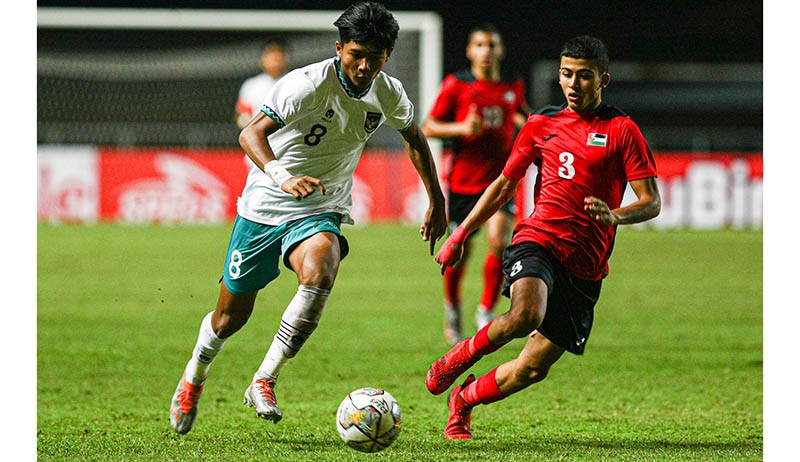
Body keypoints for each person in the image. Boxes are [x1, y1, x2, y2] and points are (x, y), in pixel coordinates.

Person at [169, 1, 447, 435]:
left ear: (386, 57)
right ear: (340, 48)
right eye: (356, 55)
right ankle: (193, 377)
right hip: (265, 205)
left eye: (373, 59)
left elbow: (414, 137)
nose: (362, 66)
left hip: (321, 205)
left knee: (321, 268)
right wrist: (282, 177)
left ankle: (264, 378)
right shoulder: (304, 84)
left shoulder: (388, 92)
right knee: (229, 318)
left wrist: (437, 199)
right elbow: (250, 133)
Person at [427, 35, 661, 440]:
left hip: (587, 264)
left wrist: (615, 216)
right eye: (567, 74)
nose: (574, 84)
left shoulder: (623, 130)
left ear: (602, 79)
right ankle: (461, 355)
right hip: (538, 240)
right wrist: (460, 233)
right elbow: (503, 185)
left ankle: (463, 400)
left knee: (532, 369)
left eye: (584, 76)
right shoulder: (542, 123)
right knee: (526, 314)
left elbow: (651, 202)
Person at [422, 24, 529, 345]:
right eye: (479, 44)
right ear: (470, 51)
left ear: (501, 50)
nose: (486, 51)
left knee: (500, 240)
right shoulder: (457, 85)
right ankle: (453, 309)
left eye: (491, 45)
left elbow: (523, 116)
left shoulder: (512, 84)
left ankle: (485, 309)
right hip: (464, 184)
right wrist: (461, 128)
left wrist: (525, 123)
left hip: (500, 181)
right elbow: (428, 127)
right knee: (462, 251)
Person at [234, 38, 290, 129]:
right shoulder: (251, 85)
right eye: (271, 54)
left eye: (279, 54)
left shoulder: (293, 82)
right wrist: (249, 126)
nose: (275, 58)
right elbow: (241, 113)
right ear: (263, 59)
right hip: (260, 136)